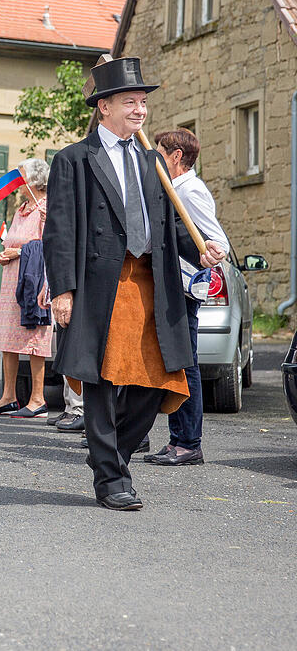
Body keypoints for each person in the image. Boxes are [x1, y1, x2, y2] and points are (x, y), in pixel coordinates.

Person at [42, 57, 225, 511]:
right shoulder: (73, 160)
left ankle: (113, 454)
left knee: (162, 378)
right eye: (131, 102)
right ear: (104, 107)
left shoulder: (151, 161)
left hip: (152, 285)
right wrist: (63, 289)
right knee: (102, 380)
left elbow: (166, 224)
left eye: (143, 103)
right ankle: (110, 478)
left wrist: (197, 247)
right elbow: (60, 229)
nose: (141, 111)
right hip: (101, 285)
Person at [147, 128, 229, 466]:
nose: (155, 157)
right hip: (171, 288)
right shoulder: (173, 188)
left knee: (186, 362)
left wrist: (214, 253)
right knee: (175, 360)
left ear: (176, 156)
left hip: (184, 290)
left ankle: (188, 442)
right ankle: (177, 439)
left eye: (160, 151)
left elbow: (218, 240)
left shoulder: (190, 190)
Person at [0, 158, 51, 419]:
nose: (18, 183)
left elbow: (49, 246)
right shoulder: (21, 208)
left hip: (35, 280)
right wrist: (4, 254)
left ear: (34, 180)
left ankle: (38, 399)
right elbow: (12, 240)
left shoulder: (46, 208)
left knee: (34, 338)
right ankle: (8, 397)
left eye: (22, 177)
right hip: (12, 279)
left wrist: (17, 251)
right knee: (8, 339)